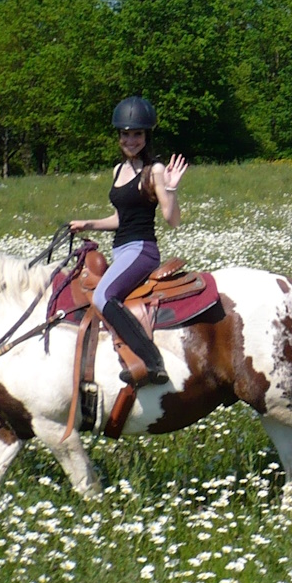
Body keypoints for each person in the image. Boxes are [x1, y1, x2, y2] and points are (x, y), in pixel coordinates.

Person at [69, 96, 188, 383]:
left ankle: (151, 361)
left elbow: (173, 220)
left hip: (142, 250)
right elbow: (121, 218)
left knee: (102, 296)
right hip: (121, 249)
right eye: (125, 134)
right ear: (119, 136)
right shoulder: (118, 170)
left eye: (137, 134)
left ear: (147, 136)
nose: (131, 140)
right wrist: (89, 224)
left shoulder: (155, 170)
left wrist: (170, 189)